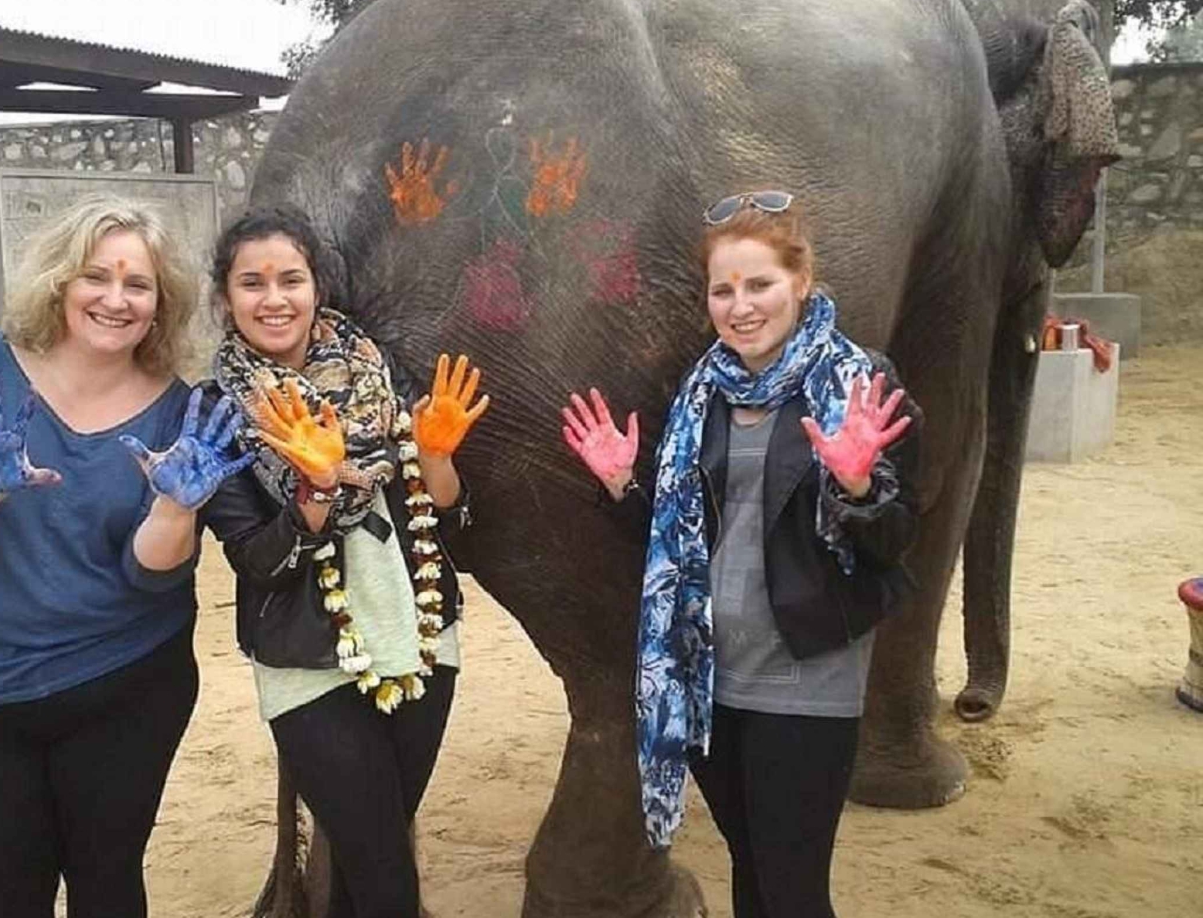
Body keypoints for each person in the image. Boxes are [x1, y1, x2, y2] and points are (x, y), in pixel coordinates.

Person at [560, 191, 921, 918]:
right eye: (723, 290)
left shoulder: (858, 383)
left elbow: (894, 541)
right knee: (751, 872)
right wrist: (625, 486)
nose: (741, 306)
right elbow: (681, 544)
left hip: (806, 676)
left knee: (791, 890)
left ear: (801, 281)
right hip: (708, 677)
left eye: (760, 284)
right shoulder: (702, 392)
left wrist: (857, 488)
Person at [0, 195, 251, 918]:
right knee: (7, 892)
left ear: (160, 305)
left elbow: (150, 575)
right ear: (60, 279)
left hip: (121, 681)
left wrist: (175, 507)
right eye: (97, 276)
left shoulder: (177, 411)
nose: (115, 299)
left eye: (138, 285)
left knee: (107, 880)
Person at [194, 205, 487, 917]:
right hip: (308, 663)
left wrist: (437, 457)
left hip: (420, 639)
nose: (274, 299)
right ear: (226, 297)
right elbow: (256, 561)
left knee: (366, 866)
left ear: (317, 287)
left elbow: (447, 518)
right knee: (387, 879)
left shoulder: (378, 373)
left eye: (290, 279)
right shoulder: (217, 410)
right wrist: (317, 491)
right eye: (252, 282)